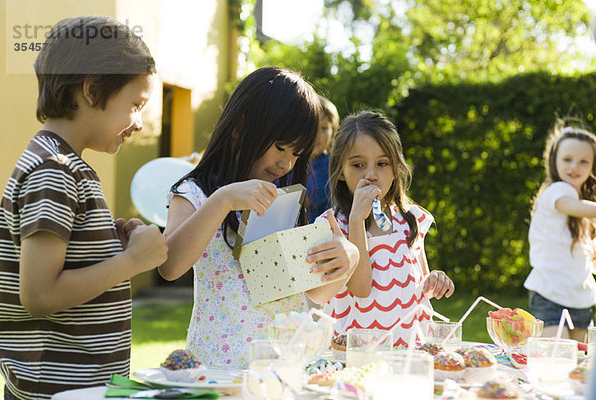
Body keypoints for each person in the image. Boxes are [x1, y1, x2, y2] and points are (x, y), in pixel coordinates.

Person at [0, 16, 168, 399]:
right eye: (136, 104)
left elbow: (69, 270)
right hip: (57, 391)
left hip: (81, 387)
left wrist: (114, 249)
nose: (139, 123)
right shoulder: (53, 172)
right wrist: (132, 263)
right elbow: (39, 295)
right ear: (92, 90)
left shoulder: (65, 167)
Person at [158, 66, 360, 369]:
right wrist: (223, 200)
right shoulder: (196, 194)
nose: (286, 163)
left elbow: (314, 292)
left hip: (285, 369)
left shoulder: (284, 200)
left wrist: (348, 259)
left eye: (296, 153)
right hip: (219, 372)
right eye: (280, 147)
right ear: (240, 127)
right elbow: (170, 265)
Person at [317, 110, 455, 347]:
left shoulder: (410, 219)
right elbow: (361, 289)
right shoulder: (331, 226)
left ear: (397, 168)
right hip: (357, 359)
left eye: (382, 164)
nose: (370, 175)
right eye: (358, 165)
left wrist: (435, 279)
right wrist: (357, 220)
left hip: (410, 353)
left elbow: (419, 283)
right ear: (340, 171)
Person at [523, 118, 596, 341]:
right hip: (550, 294)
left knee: (576, 364)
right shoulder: (557, 191)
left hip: (579, 297)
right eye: (567, 159)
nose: (574, 167)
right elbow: (570, 206)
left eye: (584, 161)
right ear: (554, 160)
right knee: (557, 355)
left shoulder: (585, 204)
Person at [307, 95, 340, 223]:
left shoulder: (330, 166)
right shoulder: (290, 163)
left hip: (319, 233)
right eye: (311, 126)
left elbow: (305, 200)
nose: (316, 134)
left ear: (333, 132)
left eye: (324, 128)